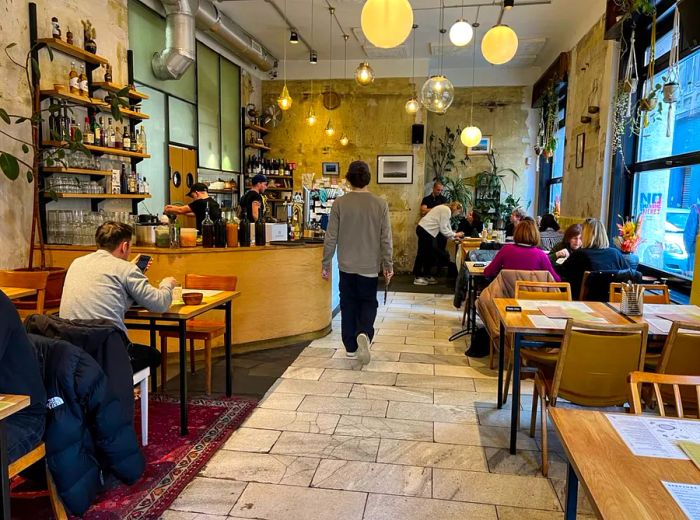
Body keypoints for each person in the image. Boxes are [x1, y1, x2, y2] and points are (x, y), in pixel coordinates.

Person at [60, 221, 177, 371]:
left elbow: (109, 294)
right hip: (107, 351)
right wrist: (167, 284)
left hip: (73, 350)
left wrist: (130, 269)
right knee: (153, 356)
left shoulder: (77, 263)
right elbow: (160, 304)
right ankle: (124, 389)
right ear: (124, 246)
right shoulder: (125, 269)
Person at [322, 161, 393, 365]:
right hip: (369, 267)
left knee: (348, 304)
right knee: (368, 302)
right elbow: (385, 239)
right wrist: (388, 265)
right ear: (368, 178)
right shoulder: (380, 204)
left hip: (346, 266)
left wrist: (326, 263)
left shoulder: (339, 204)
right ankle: (364, 332)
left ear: (348, 178)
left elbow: (331, 237)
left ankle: (351, 347)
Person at [559, 218, 628, 298]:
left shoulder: (580, 254)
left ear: (585, 235)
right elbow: (627, 276)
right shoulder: (616, 254)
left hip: (583, 303)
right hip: (612, 304)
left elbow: (563, 277)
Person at [484, 219, 561, 281]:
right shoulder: (541, 255)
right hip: (531, 297)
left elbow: (488, 272)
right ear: (535, 234)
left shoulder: (506, 250)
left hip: (507, 296)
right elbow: (556, 279)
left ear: (516, 233)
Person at [414, 201, 465, 285]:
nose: (458, 214)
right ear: (456, 209)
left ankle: (426, 274)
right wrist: (456, 234)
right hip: (425, 230)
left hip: (427, 231)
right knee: (422, 253)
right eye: (459, 212)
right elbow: (443, 229)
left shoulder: (446, 209)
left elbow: (447, 227)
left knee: (429, 253)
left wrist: (454, 237)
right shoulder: (446, 210)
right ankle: (418, 276)